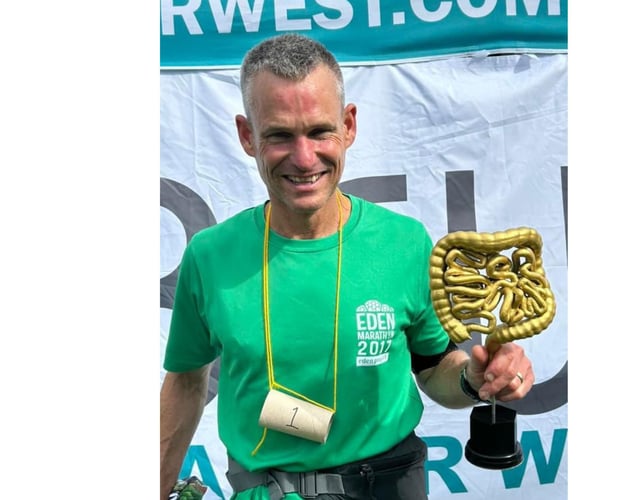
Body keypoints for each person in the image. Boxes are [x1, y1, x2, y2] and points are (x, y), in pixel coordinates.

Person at [160, 33, 535, 500]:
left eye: (319, 131)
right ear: (246, 136)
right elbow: (185, 381)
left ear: (349, 125)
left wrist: (472, 380)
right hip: (266, 490)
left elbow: (436, 367)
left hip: (391, 486)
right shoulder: (211, 255)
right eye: (279, 135)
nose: (303, 158)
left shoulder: (404, 243)